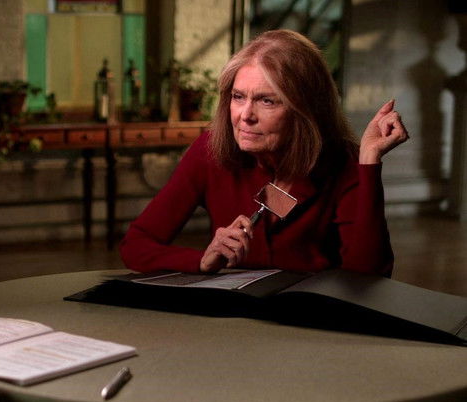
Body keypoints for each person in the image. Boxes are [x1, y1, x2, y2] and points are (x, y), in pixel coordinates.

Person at [120, 30, 408, 277]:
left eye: (267, 101)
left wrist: (368, 162)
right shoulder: (210, 150)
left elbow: (369, 276)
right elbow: (136, 245)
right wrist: (201, 260)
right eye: (238, 97)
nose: (245, 116)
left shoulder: (342, 162)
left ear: (305, 109)